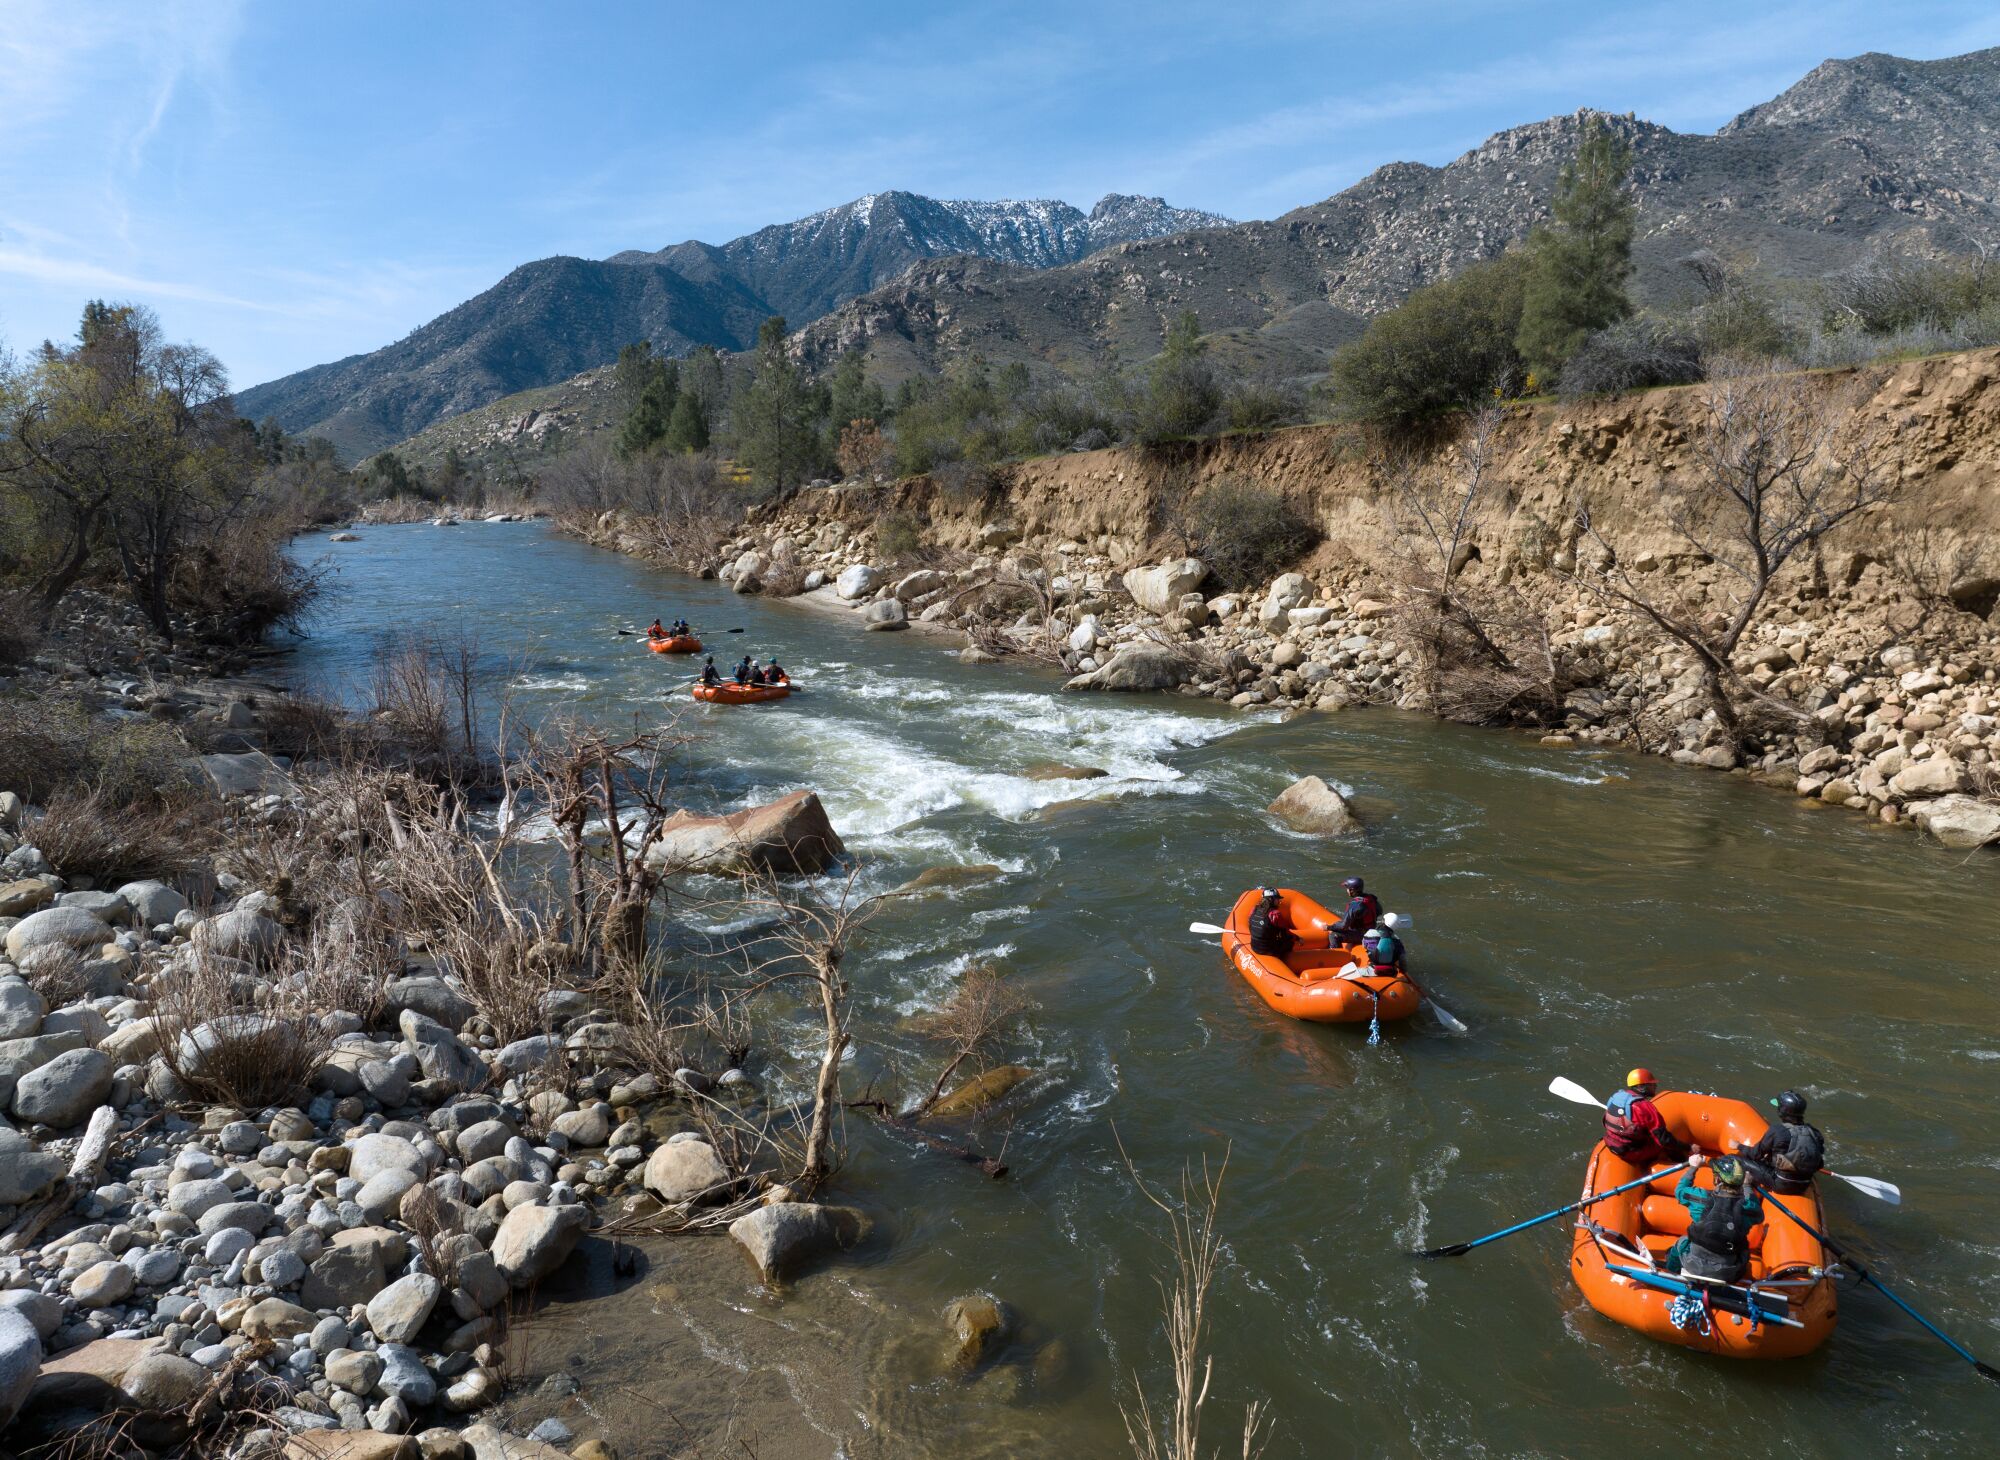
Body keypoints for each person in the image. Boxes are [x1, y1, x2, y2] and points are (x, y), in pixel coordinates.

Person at [1663, 1155, 1763, 1281]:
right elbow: (1758, 1214)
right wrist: (1747, 1185)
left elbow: (1680, 1191)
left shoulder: (1701, 1198)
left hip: (1692, 1264)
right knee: (1744, 1252)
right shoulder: (1748, 1207)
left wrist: (1693, 1168)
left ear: (1716, 1179)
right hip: (1727, 1272)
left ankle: (1670, 1272)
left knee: (1680, 1243)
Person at [1733, 1089, 1826, 1195]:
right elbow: (1819, 1164)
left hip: (1780, 1185)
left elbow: (1755, 1154)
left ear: (1782, 1111)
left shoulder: (1777, 1130)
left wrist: (1738, 1145)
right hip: (1804, 1186)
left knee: (1731, 1159)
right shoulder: (1814, 1132)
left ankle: (1745, 1187)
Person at [1603, 1068, 1690, 1166]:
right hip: (1631, 1152)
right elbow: (1664, 1140)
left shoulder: (1617, 1096)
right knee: (1667, 1146)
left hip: (1612, 1144)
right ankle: (1684, 1164)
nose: (1655, 1086)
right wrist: (1689, 1148)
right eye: (1652, 1084)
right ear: (1641, 1086)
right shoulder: (1644, 1107)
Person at [1331, 877, 1383, 944]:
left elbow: (1343, 926)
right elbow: (1379, 911)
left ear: (1352, 890)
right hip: (1372, 930)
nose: (1346, 890)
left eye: (1347, 888)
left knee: (1333, 935)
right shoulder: (1371, 898)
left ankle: (1336, 953)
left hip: (1361, 935)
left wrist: (1329, 927)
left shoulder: (1355, 905)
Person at [1247, 887, 1296, 958]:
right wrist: (1297, 938)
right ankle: (1284, 960)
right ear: (1271, 899)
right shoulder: (1275, 914)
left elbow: (1250, 924)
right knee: (1290, 942)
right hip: (1268, 949)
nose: (1279, 901)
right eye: (1277, 899)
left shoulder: (1254, 909)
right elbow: (1285, 932)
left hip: (1254, 947)